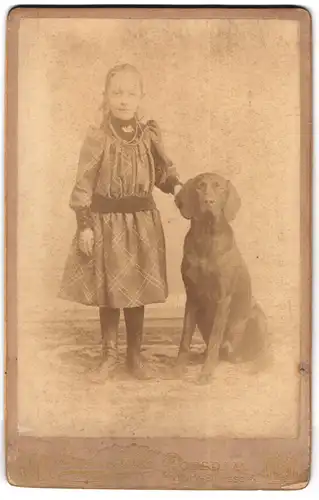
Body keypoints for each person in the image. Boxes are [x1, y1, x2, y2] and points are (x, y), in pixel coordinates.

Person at [59, 63, 182, 380]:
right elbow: (83, 184)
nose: (123, 100)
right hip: (107, 223)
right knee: (111, 292)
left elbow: (162, 175)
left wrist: (178, 186)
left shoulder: (148, 136)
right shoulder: (98, 138)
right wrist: (84, 225)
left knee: (136, 290)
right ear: (106, 96)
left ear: (141, 97)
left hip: (142, 223)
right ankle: (109, 355)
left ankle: (134, 356)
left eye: (130, 93)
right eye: (117, 93)